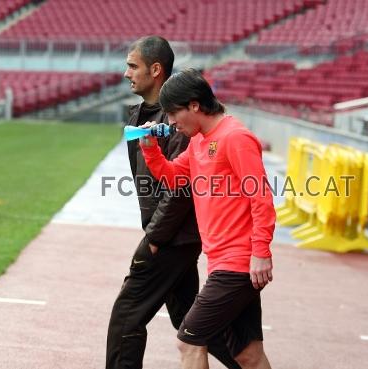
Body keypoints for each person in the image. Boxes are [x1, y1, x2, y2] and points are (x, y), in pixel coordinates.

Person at [106, 36, 240, 369]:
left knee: (127, 316)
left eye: (132, 66)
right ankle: (249, 361)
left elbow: (179, 189)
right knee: (189, 321)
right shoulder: (140, 113)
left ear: (155, 69)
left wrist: (154, 239)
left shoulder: (179, 119)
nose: (126, 73)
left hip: (170, 237)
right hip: (171, 235)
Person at [139, 68, 275, 369]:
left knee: (188, 341)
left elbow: (261, 196)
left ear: (195, 105)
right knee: (247, 355)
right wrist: (151, 152)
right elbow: (174, 179)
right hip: (221, 261)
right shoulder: (199, 140)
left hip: (238, 264)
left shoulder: (235, 137)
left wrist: (261, 251)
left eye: (174, 114)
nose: (171, 123)